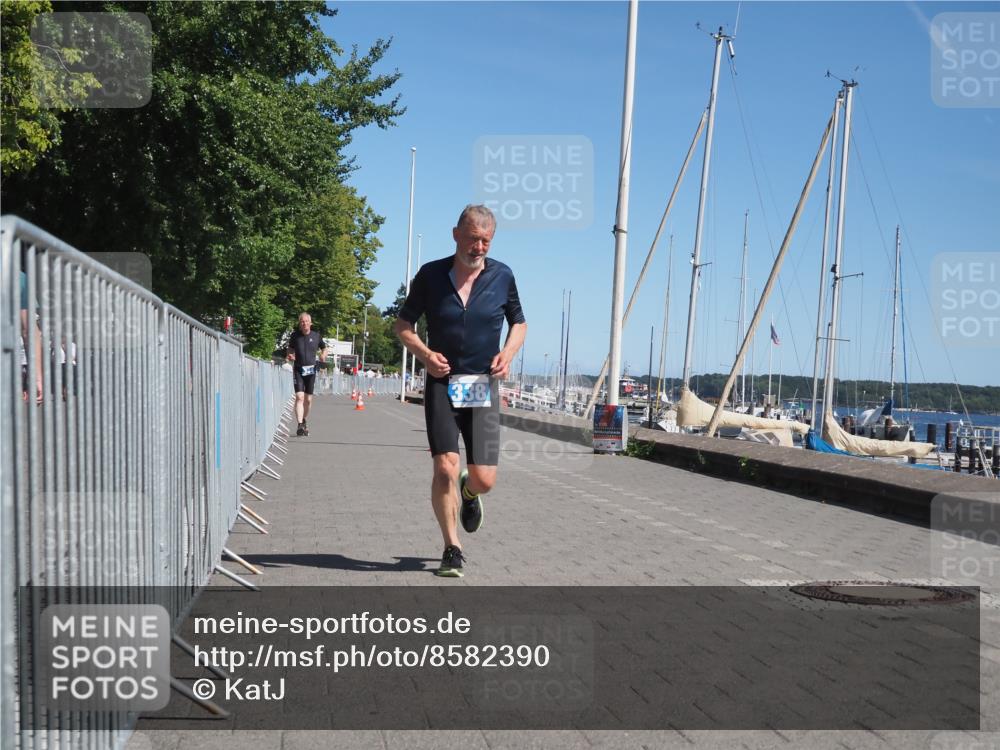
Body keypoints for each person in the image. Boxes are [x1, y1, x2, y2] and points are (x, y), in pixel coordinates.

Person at [393, 204, 527, 577]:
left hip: (482, 385)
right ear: (456, 235)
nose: (479, 247)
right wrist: (424, 355)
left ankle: (470, 495)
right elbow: (403, 326)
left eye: (486, 240)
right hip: (442, 383)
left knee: (484, 478)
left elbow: (519, 324)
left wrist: (508, 352)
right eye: (472, 239)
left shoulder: (503, 276)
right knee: (444, 467)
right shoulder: (431, 276)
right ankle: (452, 547)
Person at [286, 312, 326, 436]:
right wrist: (290, 355)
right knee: (299, 397)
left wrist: (323, 355)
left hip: (311, 371)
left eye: (306, 321)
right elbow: (290, 349)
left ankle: (303, 420)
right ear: (300, 324)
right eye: (302, 321)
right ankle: (299, 425)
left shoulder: (316, 336)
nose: (304, 323)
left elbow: (324, 348)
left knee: (308, 400)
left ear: (310, 323)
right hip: (298, 369)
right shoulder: (295, 336)